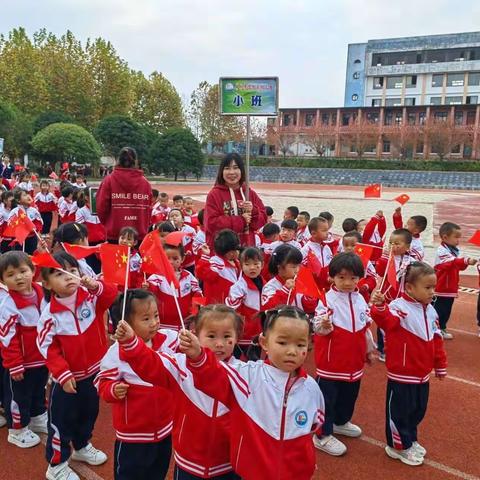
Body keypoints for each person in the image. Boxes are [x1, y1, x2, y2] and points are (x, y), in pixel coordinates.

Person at [177, 305, 325, 480]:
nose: (291, 351)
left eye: (300, 344)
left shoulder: (311, 389)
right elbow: (213, 375)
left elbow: (312, 430)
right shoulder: (247, 376)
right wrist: (199, 354)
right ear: (264, 343)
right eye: (282, 342)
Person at [114, 304, 244, 480]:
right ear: (196, 335)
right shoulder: (180, 365)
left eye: (227, 336)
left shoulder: (245, 373)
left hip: (229, 465)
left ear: (237, 337)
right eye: (211, 336)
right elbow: (152, 364)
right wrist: (131, 342)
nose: (219, 344)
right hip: (188, 464)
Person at [37, 252, 118, 480]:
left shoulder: (90, 298)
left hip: (94, 374)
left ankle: (82, 446)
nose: (68, 277)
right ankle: (56, 464)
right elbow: (47, 347)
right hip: (67, 380)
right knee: (61, 421)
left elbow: (111, 296)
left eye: (72, 271)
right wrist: (61, 372)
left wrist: (96, 286)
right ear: (47, 283)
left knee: (89, 413)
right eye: (58, 273)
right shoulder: (49, 315)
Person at [370, 262, 447, 466]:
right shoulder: (398, 307)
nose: (432, 291)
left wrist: (440, 364)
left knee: (417, 409)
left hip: (422, 374)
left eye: (433, 287)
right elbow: (386, 320)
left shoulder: (431, 311)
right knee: (400, 411)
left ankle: (410, 439)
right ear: (410, 288)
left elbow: (436, 339)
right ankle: (397, 446)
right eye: (428, 287)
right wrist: (379, 306)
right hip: (402, 373)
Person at [95, 290, 176, 480]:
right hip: (133, 434)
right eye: (146, 318)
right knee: (129, 474)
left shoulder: (168, 340)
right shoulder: (116, 354)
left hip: (165, 427)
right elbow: (102, 383)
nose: (154, 322)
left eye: (156, 315)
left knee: (158, 470)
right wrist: (113, 390)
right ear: (125, 324)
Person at [312, 253, 375, 456]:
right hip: (331, 363)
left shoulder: (360, 300)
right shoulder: (326, 300)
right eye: (342, 278)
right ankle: (322, 434)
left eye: (353, 278)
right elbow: (317, 327)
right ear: (332, 277)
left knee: (349, 396)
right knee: (327, 399)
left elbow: (365, 327)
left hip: (354, 362)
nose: (348, 282)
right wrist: (323, 326)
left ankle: (340, 422)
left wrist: (369, 350)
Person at [0, 252, 49, 448]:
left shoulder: (43, 293)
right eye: (11, 275)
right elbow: (7, 338)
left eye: (23, 271)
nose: (19, 277)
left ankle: (37, 416)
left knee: (39, 389)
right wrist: (14, 365)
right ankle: (17, 429)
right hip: (22, 362)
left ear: (33, 271)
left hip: (41, 358)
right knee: (19, 395)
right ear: (3, 280)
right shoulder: (8, 305)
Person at [204, 153, 267, 250]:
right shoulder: (214, 194)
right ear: (222, 171)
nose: (232, 172)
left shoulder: (249, 193)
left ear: (241, 170)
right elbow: (211, 224)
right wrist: (241, 220)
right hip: (223, 251)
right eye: (227, 168)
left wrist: (253, 211)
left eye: (235, 168)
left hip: (245, 251)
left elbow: (262, 220)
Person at [96, 147, 152, 243]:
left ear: (118, 160)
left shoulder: (109, 180)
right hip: (138, 235)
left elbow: (101, 207)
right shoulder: (145, 183)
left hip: (115, 235)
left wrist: (109, 223)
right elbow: (148, 209)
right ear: (135, 161)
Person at [433, 222, 477, 339]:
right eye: (456, 237)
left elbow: (459, 266)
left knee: (446, 310)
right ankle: (435, 328)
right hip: (442, 287)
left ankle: (441, 328)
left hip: (450, 287)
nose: (458, 240)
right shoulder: (441, 251)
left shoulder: (453, 250)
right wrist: (466, 260)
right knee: (439, 309)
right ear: (445, 237)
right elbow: (451, 262)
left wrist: (467, 262)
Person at [147, 241, 203, 330]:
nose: (171, 262)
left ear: (182, 258)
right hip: (163, 326)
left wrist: (195, 314)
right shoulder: (156, 277)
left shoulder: (189, 277)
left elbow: (198, 294)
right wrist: (147, 288)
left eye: (175, 258)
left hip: (185, 325)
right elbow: (150, 296)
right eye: (167, 258)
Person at [226, 247, 264, 355]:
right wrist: (238, 298)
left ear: (262, 265)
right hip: (245, 332)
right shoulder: (238, 287)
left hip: (260, 330)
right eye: (247, 264)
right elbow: (230, 307)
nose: (252, 268)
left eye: (256, 264)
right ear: (241, 266)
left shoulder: (266, 284)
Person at [262, 244, 318, 314]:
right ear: (279, 267)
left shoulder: (300, 283)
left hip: (299, 322)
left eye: (299, 266)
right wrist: (285, 290)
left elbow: (308, 309)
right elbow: (268, 309)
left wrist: (310, 298)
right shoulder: (271, 286)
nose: (297, 270)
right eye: (293, 267)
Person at [196, 229, 241, 304]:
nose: (232, 254)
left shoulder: (237, 263)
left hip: (232, 304)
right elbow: (203, 273)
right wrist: (205, 256)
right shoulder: (217, 262)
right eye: (228, 252)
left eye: (234, 250)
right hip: (217, 307)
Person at [301, 217, 333, 291]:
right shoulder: (306, 250)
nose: (327, 233)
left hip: (327, 286)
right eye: (324, 230)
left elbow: (331, 265)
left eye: (327, 230)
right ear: (313, 233)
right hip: (313, 288)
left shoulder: (327, 248)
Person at [9, 188, 43, 254]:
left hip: (32, 238)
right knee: (20, 256)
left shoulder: (34, 210)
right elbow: (10, 224)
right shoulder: (15, 212)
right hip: (20, 238)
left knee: (32, 255)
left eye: (28, 194)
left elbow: (39, 223)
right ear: (18, 200)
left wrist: (37, 233)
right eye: (24, 195)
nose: (28, 196)